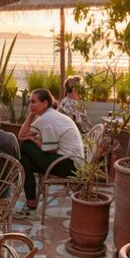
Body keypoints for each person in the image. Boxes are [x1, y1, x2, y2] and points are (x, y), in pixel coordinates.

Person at [15, 88, 83, 219]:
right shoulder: (46, 116)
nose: (30, 105)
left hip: (70, 165)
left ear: (45, 103)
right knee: (24, 161)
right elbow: (22, 134)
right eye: (30, 102)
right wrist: (31, 114)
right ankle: (31, 202)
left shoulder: (48, 119)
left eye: (33, 102)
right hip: (62, 160)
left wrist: (34, 139)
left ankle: (11, 168)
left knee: (26, 146)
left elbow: (50, 149)